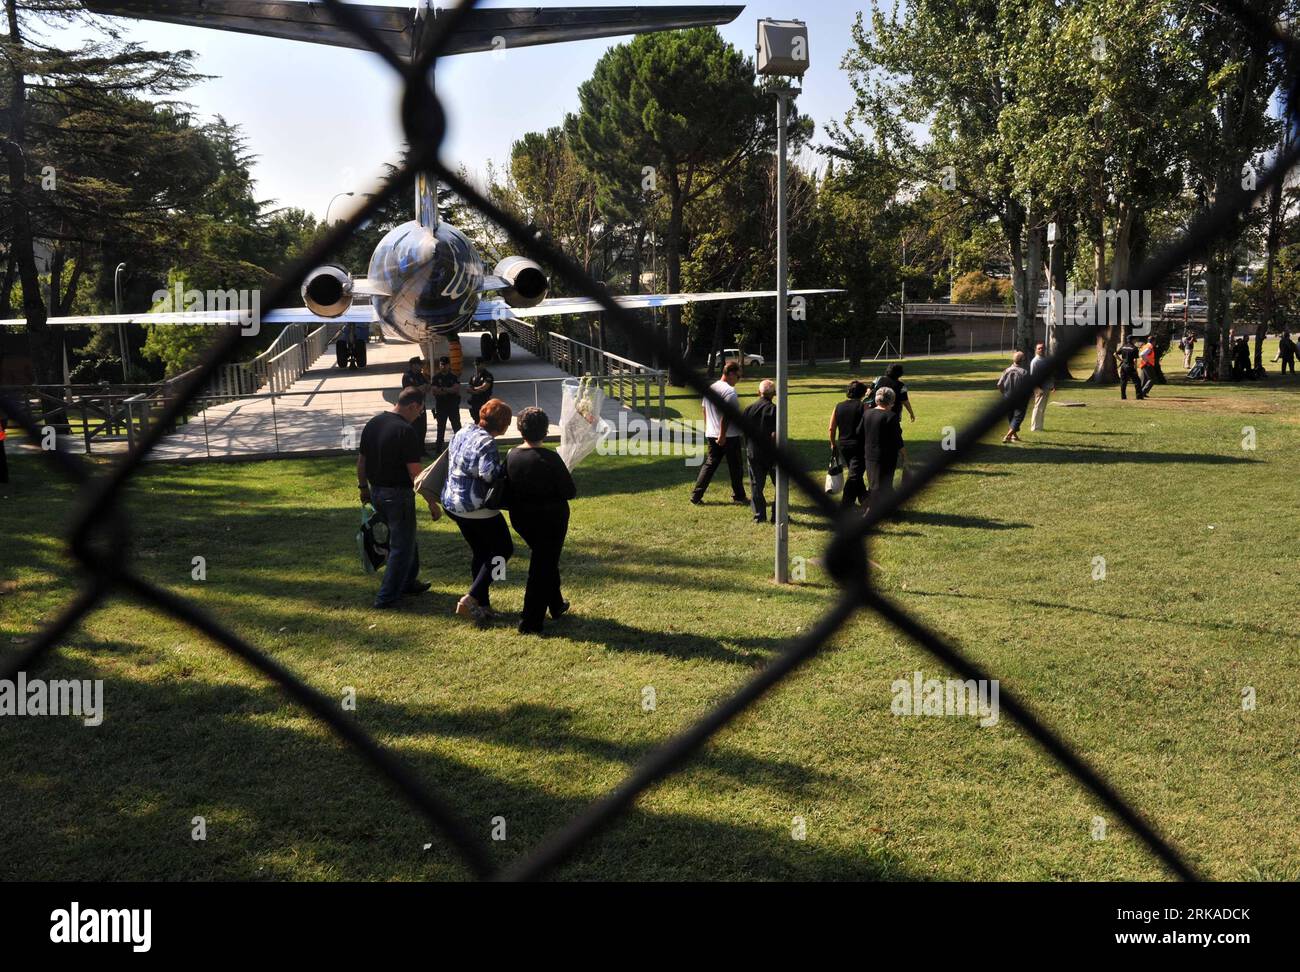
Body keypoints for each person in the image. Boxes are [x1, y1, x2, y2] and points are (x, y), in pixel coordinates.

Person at [441, 398, 514, 625]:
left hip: (453, 503)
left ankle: (483, 606)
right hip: (475, 507)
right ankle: (471, 598)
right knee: (504, 549)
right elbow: (489, 475)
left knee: (482, 552)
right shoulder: (487, 443)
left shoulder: (463, 431)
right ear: (502, 425)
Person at [357, 387, 430, 609]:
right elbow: (415, 473)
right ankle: (386, 596)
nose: (419, 415)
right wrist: (432, 502)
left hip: (377, 491)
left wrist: (363, 489)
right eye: (420, 411)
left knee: (406, 538)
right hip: (398, 494)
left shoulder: (373, 424)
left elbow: (361, 462)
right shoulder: (406, 431)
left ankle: (408, 581)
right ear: (413, 406)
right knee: (401, 546)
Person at [507, 407, 576, 634]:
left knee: (545, 559)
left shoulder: (511, 456)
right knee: (542, 566)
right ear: (546, 431)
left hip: (522, 519)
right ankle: (531, 620)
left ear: (519, 429)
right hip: (550, 520)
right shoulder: (551, 458)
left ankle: (555, 604)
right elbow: (569, 491)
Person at [690, 359, 747, 506]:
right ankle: (739, 496)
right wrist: (722, 435)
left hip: (711, 433)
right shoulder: (730, 392)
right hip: (729, 436)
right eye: (738, 377)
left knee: (709, 465)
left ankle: (696, 496)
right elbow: (726, 415)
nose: (738, 380)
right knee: (735, 467)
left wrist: (709, 428)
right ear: (731, 374)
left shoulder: (711, 388)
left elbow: (704, 409)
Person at [860, 386, 905, 509]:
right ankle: (874, 509)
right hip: (886, 456)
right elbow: (897, 439)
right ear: (891, 401)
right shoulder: (891, 416)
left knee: (874, 483)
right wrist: (904, 455)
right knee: (883, 485)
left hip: (869, 454)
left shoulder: (867, 413)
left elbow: (859, 432)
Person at [743, 379, 778, 523]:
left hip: (754, 451)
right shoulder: (775, 410)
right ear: (774, 394)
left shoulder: (749, 409)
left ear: (759, 392)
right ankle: (777, 514)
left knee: (757, 485)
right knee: (780, 484)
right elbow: (775, 434)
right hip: (771, 452)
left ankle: (759, 515)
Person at [830, 380, 868, 509]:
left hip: (843, 445)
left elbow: (832, 428)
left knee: (855, 474)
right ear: (862, 393)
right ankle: (845, 506)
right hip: (859, 445)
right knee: (854, 475)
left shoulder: (838, 406)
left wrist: (832, 443)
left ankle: (866, 501)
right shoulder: (863, 407)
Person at [430, 355, 463, 453]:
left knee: (457, 427)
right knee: (441, 428)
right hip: (441, 406)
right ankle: (438, 449)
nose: (443, 366)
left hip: (452, 405)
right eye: (442, 364)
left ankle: (461, 447)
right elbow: (434, 391)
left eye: (445, 364)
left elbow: (456, 389)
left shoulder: (453, 377)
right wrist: (449, 390)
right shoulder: (436, 377)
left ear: (449, 365)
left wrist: (443, 389)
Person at [997, 350, 1029, 443]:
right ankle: (1008, 435)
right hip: (1020, 399)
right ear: (1022, 360)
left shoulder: (1006, 370)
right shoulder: (1024, 372)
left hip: (1008, 397)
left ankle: (1014, 436)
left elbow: (999, 384)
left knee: (1011, 417)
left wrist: (1004, 393)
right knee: (1018, 417)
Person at [401, 356, 430, 453]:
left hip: (421, 405)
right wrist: (421, 388)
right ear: (413, 365)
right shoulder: (407, 376)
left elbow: (428, 387)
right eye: (419, 364)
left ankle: (422, 450)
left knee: (422, 428)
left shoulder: (421, 376)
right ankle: (413, 451)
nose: (421, 366)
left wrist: (422, 388)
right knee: (413, 428)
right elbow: (411, 390)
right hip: (411, 407)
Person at [1028, 342, 1054, 432]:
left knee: (1042, 408)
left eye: (1042, 348)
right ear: (1036, 350)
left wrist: (1052, 386)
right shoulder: (1035, 362)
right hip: (1039, 389)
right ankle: (1034, 428)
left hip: (1046, 388)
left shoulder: (1045, 360)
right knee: (1037, 408)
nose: (1041, 350)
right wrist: (1036, 389)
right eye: (1039, 348)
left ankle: (1040, 427)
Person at [466, 356, 495, 424]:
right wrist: (475, 390)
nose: (476, 366)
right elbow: (468, 388)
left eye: (478, 364)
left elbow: (484, 387)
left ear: (483, 364)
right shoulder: (473, 376)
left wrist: (473, 388)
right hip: (475, 403)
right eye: (475, 364)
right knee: (476, 421)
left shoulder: (487, 375)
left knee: (485, 422)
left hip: (484, 401)